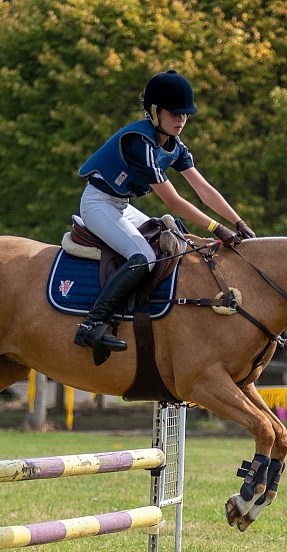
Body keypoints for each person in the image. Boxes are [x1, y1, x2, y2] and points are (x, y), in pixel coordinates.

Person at [74, 70, 255, 364]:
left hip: (120, 204)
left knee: (174, 240)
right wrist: (216, 227)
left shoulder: (174, 146)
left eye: (185, 114)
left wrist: (239, 222)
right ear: (155, 112)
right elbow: (174, 201)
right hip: (97, 203)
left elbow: (204, 189)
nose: (181, 120)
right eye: (174, 113)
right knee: (144, 256)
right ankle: (92, 324)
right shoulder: (140, 143)